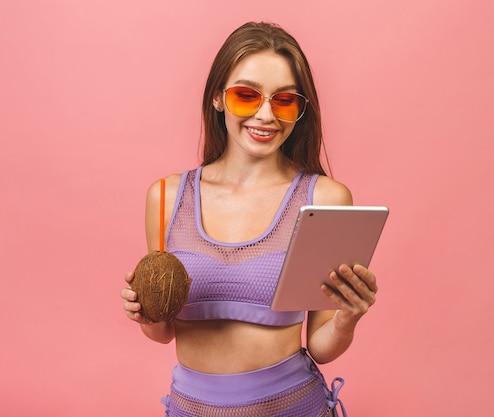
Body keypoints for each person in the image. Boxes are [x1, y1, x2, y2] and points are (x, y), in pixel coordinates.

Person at [120, 21, 378, 417]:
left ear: (299, 111)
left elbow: (322, 347)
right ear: (218, 99)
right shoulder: (166, 198)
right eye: (246, 95)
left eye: (284, 101)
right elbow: (161, 333)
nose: (265, 115)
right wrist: (144, 311)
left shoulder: (325, 198)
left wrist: (347, 319)